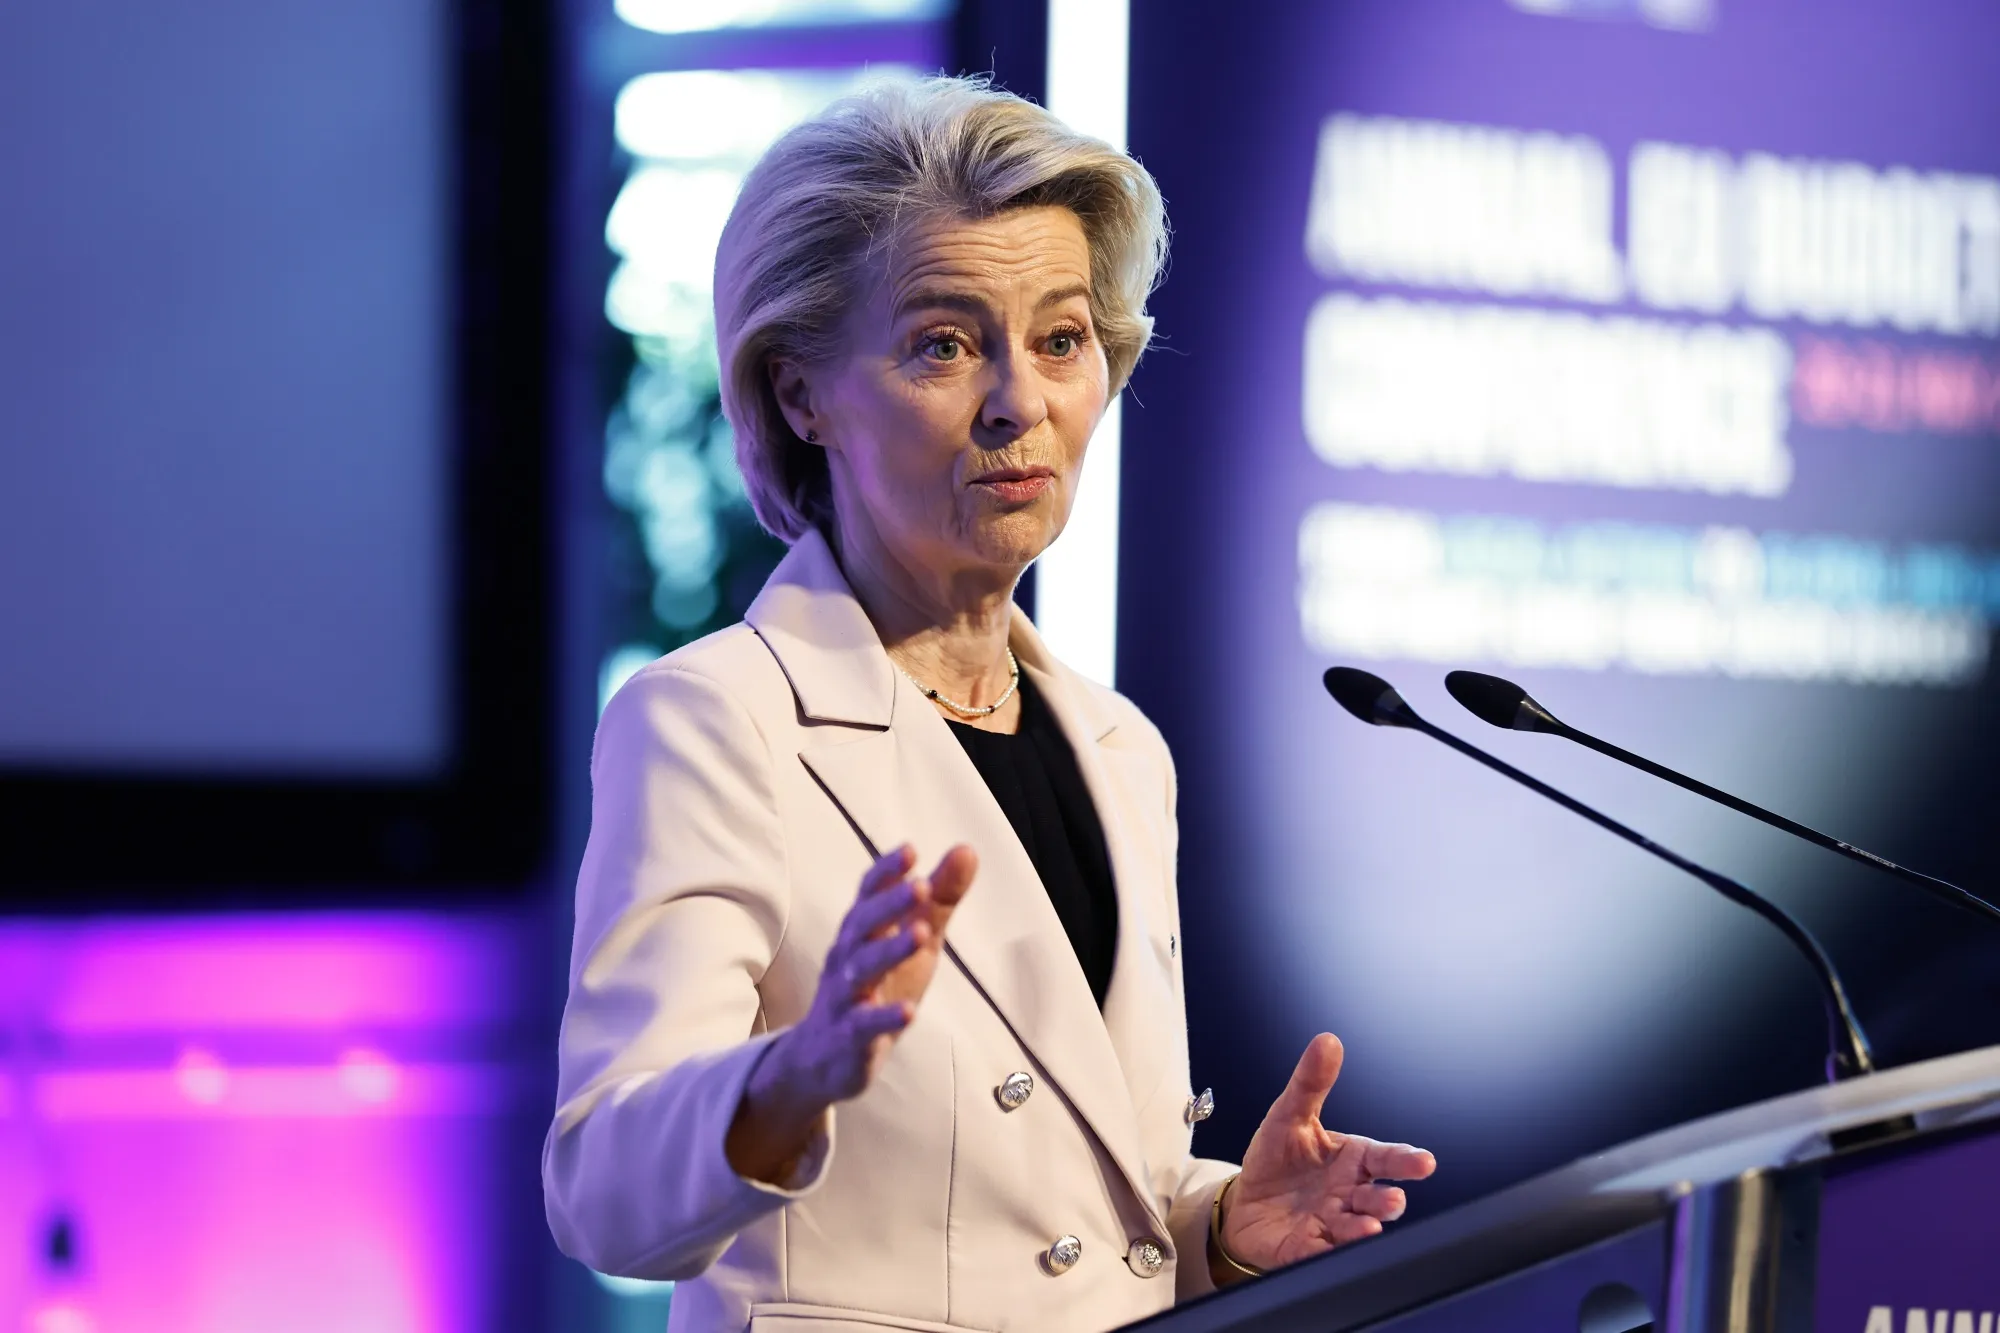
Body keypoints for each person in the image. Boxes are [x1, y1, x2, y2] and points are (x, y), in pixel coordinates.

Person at [542, 74, 1435, 1333]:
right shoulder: (716, 716)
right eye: (944, 344)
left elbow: (1061, 1215)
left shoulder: (1120, 747)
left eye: (1062, 338)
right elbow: (602, 1193)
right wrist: (793, 1079)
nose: (1021, 403)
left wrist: (1217, 1228)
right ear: (802, 395)